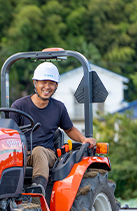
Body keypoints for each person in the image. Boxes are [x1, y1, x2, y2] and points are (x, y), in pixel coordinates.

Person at [10, 61, 96, 194]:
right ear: (35, 83)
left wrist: (84, 139)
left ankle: (38, 193)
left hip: (47, 154)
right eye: (43, 82)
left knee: (38, 151)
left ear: (56, 86)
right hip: (21, 154)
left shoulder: (58, 108)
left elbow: (69, 129)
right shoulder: (19, 106)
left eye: (51, 83)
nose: (47, 87)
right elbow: (9, 133)